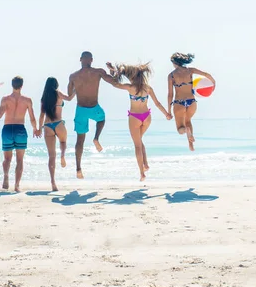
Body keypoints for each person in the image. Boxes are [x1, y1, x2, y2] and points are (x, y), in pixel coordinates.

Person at [106, 62, 172, 181]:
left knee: (137, 145)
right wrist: (166, 114)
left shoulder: (130, 87)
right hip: (147, 117)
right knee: (139, 141)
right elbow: (157, 104)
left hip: (135, 117)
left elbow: (114, 84)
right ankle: (145, 164)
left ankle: (142, 172)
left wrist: (112, 72)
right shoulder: (148, 88)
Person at [67, 51, 118, 179]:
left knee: (80, 140)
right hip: (94, 107)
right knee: (101, 119)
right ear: (91, 60)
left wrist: (78, 87)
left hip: (81, 109)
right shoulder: (98, 72)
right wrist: (112, 70)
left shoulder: (73, 76)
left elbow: (69, 95)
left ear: (80, 59)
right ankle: (96, 138)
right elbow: (113, 82)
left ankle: (78, 168)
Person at [0, 76, 38, 192]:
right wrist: (36, 129)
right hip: (20, 129)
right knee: (20, 160)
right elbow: (32, 118)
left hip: (7, 129)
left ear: (12, 85)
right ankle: (17, 185)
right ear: (22, 85)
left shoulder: (5, 99)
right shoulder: (27, 100)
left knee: (7, 158)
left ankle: (6, 177)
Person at [167, 53, 216, 151]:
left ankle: (186, 130)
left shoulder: (171, 75)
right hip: (191, 102)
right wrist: (213, 83)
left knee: (180, 129)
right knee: (188, 120)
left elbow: (170, 94)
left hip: (179, 103)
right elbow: (206, 75)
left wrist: (169, 111)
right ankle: (191, 145)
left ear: (174, 62)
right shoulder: (190, 70)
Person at [35, 77, 74, 191]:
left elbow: (41, 116)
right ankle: (62, 155)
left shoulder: (44, 98)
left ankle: (53, 182)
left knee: (51, 156)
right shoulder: (58, 93)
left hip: (47, 126)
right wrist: (75, 90)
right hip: (58, 124)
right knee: (63, 141)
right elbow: (69, 98)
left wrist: (39, 129)